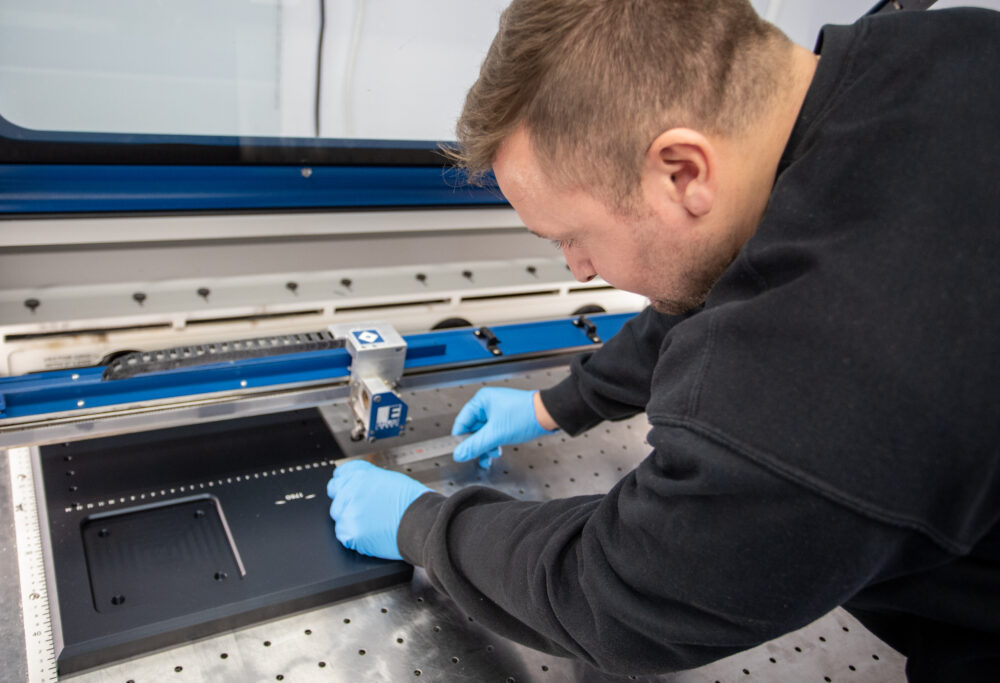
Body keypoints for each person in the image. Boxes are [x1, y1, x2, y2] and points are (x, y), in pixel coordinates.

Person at [326, 1, 1000, 679]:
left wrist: (419, 524)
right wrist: (557, 404)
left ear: (681, 171)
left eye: (572, 236)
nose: (578, 268)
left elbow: (611, 592)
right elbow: (724, 274)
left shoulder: (818, 379)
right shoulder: (940, 46)